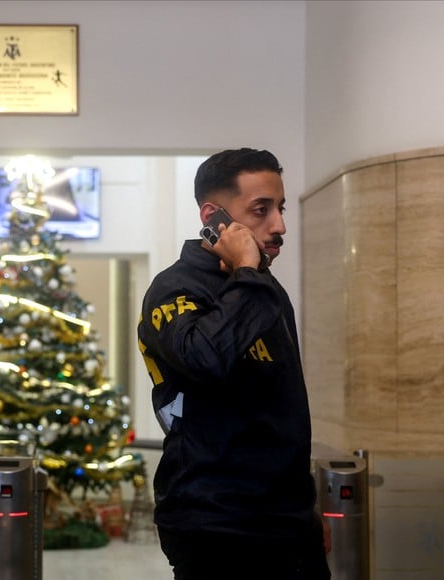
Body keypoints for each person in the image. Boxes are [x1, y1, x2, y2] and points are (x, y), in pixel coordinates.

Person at [137, 148, 330, 579]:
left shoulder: (266, 290)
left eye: (279, 208)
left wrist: (307, 512)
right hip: (214, 523)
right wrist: (246, 270)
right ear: (214, 216)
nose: (279, 225)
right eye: (261, 210)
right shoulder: (173, 289)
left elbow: (281, 412)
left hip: (287, 523)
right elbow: (205, 359)